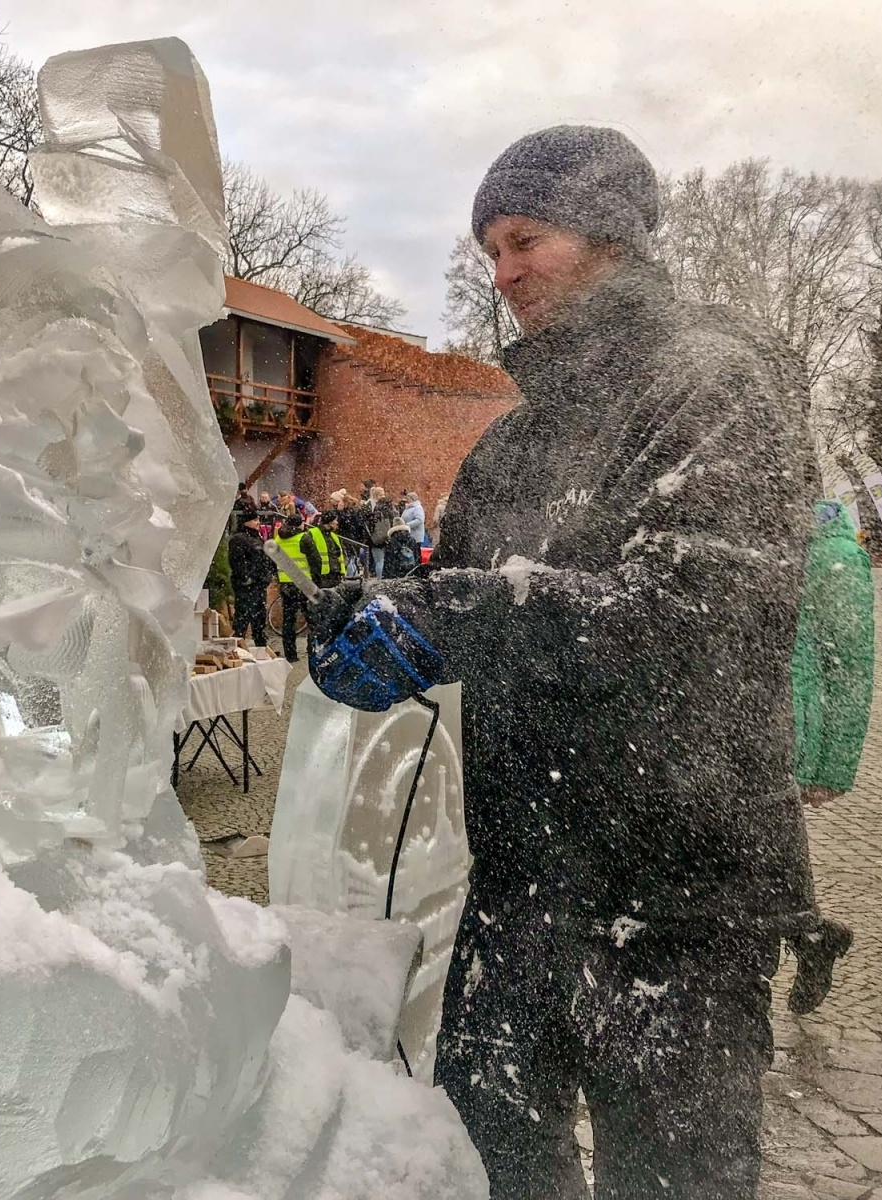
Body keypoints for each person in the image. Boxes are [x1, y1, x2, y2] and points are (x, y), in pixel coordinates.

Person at [307, 125, 815, 1199]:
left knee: (669, 1182)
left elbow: (699, 619)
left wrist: (455, 620)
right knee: (491, 1166)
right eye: (489, 250)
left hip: (677, 899)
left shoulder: (714, 385)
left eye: (525, 239)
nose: (503, 274)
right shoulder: (513, 437)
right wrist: (366, 615)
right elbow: (457, 589)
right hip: (522, 888)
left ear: (610, 234)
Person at [785, 501, 875, 1013]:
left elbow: (850, 665)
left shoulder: (835, 555)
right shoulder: (751, 530)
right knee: (742, 855)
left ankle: (809, 934)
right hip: (737, 723)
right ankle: (811, 934)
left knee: (753, 849)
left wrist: (832, 766)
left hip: (792, 732)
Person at [227, 513, 274, 647]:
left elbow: (262, 560)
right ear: (245, 522)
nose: (258, 522)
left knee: (259, 617)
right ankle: (238, 645)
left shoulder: (256, 537)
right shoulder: (239, 539)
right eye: (254, 520)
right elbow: (237, 561)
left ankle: (260, 645)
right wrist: (247, 578)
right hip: (248, 585)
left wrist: (265, 577)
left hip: (259, 584)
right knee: (243, 615)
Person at [271, 514, 312, 663]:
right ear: (299, 524)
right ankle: (312, 650)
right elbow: (314, 561)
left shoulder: (277, 540)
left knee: (288, 619)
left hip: (286, 583)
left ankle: (290, 654)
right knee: (311, 618)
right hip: (304, 582)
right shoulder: (304, 538)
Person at [301, 512, 346, 589]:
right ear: (330, 522)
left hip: (334, 575)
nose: (337, 523)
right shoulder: (312, 533)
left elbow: (340, 555)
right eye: (335, 520)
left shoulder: (334, 536)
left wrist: (341, 571)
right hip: (322, 576)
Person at [366, 485, 395, 578]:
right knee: (384, 559)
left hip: (377, 538)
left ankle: (379, 578)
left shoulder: (375, 508)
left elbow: (371, 523)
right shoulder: (389, 508)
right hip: (388, 536)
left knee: (379, 560)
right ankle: (384, 577)